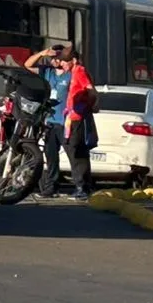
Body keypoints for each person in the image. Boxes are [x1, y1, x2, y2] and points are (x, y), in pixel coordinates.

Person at [23, 45, 73, 200]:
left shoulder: (70, 75)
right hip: (50, 121)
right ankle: (50, 188)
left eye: (58, 58)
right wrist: (42, 53)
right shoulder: (47, 72)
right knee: (51, 156)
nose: (55, 61)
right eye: (53, 58)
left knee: (73, 155)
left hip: (65, 122)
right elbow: (27, 65)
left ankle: (83, 187)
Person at [57, 45, 98, 199]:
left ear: (73, 60)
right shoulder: (72, 73)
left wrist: (87, 107)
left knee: (76, 149)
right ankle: (82, 185)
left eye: (64, 61)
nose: (62, 64)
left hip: (78, 117)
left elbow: (91, 91)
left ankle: (82, 186)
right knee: (72, 148)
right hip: (71, 118)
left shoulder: (79, 71)